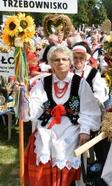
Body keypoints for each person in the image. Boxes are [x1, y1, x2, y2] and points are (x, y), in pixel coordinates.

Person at [24, 45, 101, 186]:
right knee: (43, 142)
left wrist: (85, 130)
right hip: (48, 126)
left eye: (64, 59)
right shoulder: (43, 83)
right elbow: (35, 105)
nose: (60, 62)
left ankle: (67, 182)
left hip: (72, 127)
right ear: (50, 63)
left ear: (70, 62)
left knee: (64, 146)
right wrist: (24, 101)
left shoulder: (79, 83)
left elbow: (89, 110)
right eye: (56, 59)